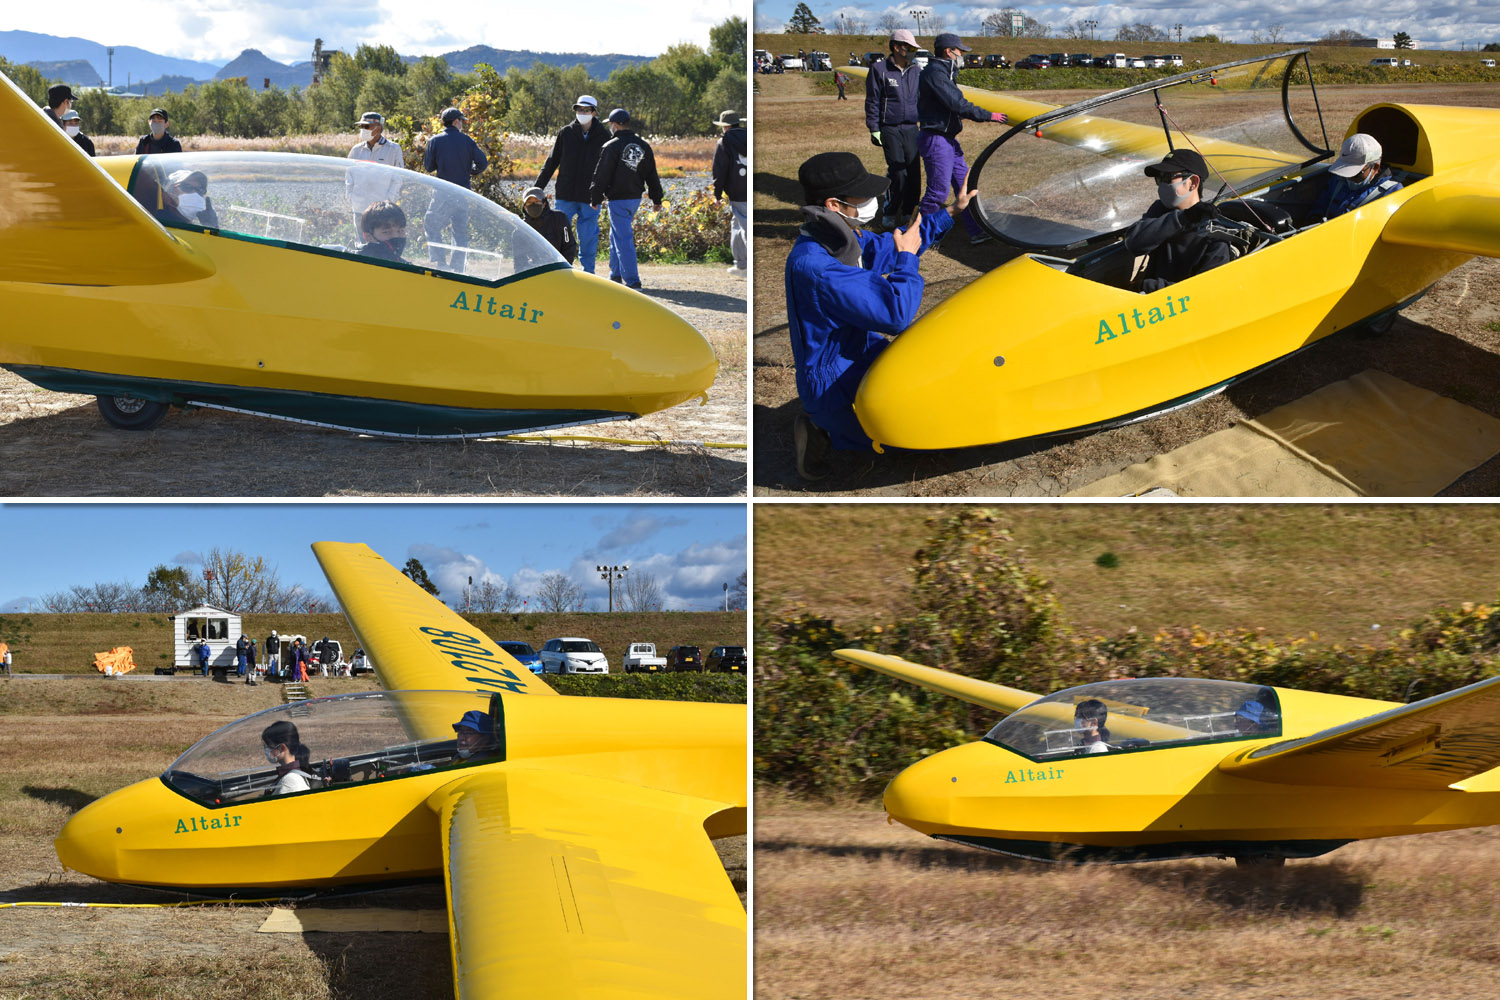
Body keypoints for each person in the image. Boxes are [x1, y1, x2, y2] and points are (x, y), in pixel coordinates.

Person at [785, 151, 967, 479]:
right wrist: (907, 262)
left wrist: (950, 213)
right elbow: (894, 315)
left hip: (862, 354)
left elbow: (887, 246)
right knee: (923, 441)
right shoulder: (817, 267)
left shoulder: (838, 239)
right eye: (863, 196)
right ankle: (821, 431)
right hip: (835, 385)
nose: (873, 202)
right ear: (834, 205)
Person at [917, 32, 1007, 245]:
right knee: (938, 194)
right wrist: (989, 115)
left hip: (948, 138)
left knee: (965, 185)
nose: (962, 56)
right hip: (936, 138)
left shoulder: (945, 72)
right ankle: (921, 236)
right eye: (960, 51)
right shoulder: (935, 73)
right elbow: (957, 104)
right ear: (949, 52)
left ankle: (976, 231)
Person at [1124, 148, 1237, 293]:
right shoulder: (1161, 210)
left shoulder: (1214, 235)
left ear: (1193, 182)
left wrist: (1148, 286)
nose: (1162, 185)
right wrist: (1183, 218)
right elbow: (1133, 242)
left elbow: (1205, 292)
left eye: (1167, 178)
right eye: (1159, 179)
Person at [589, 108, 663, 291]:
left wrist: (595, 197)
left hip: (617, 199)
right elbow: (652, 175)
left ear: (615, 125)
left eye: (610, 124)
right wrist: (656, 198)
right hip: (634, 199)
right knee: (616, 234)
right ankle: (615, 274)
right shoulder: (643, 145)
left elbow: (602, 175)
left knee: (623, 238)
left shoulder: (611, 146)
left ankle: (632, 281)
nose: (610, 127)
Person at [535, 95, 609, 274]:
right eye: (579, 109)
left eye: (586, 110)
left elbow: (609, 168)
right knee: (559, 234)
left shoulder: (604, 136)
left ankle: (588, 273)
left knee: (588, 236)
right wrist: (537, 189)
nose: (582, 113)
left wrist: (604, 192)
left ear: (594, 112)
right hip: (565, 194)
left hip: (590, 197)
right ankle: (559, 269)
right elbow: (551, 162)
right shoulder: (565, 133)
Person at [866, 30, 924, 230]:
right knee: (898, 172)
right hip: (889, 128)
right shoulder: (879, 69)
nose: (913, 51)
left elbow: (922, 99)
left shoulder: (916, 71)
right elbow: (872, 100)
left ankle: (909, 210)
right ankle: (890, 211)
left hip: (912, 128)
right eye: (910, 47)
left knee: (914, 172)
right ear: (897, 47)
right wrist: (874, 127)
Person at [423, 107, 488, 271]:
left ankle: (440, 262)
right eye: (461, 121)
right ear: (456, 121)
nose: (462, 124)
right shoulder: (467, 140)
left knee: (431, 223)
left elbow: (428, 167)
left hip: (442, 193)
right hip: (462, 193)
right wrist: (470, 171)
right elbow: (482, 163)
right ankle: (458, 267)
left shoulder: (435, 141)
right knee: (459, 231)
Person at [346, 111, 405, 240]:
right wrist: (351, 197)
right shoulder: (356, 150)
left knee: (382, 243)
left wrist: (388, 200)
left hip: (381, 210)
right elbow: (348, 176)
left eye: (366, 126)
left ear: (378, 128)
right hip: (359, 207)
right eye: (361, 126)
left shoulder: (393, 149)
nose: (363, 129)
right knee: (361, 243)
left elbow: (398, 178)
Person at [1317, 133, 1404, 220]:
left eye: (1355, 174)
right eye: (1345, 172)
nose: (1349, 178)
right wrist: (1315, 217)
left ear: (1375, 168)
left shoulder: (1392, 193)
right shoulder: (1338, 180)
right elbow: (1320, 205)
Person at [711, 111, 748, 276]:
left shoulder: (724, 141)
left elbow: (719, 170)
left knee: (745, 227)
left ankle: (750, 266)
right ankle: (741, 265)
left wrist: (717, 194)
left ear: (725, 127)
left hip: (737, 192)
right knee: (737, 226)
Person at [518, 186, 576, 267]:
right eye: (529, 202)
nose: (533, 205)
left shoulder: (560, 219)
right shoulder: (521, 228)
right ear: (525, 206)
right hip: (533, 270)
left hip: (559, 267)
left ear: (544, 204)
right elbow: (519, 261)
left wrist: (564, 267)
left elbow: (569, 246)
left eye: (537, 201)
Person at [261, 720, 314, 795]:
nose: (267, 750)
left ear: (282, 747)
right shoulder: (288, 776)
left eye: (269, 746)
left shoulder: (291, 781)